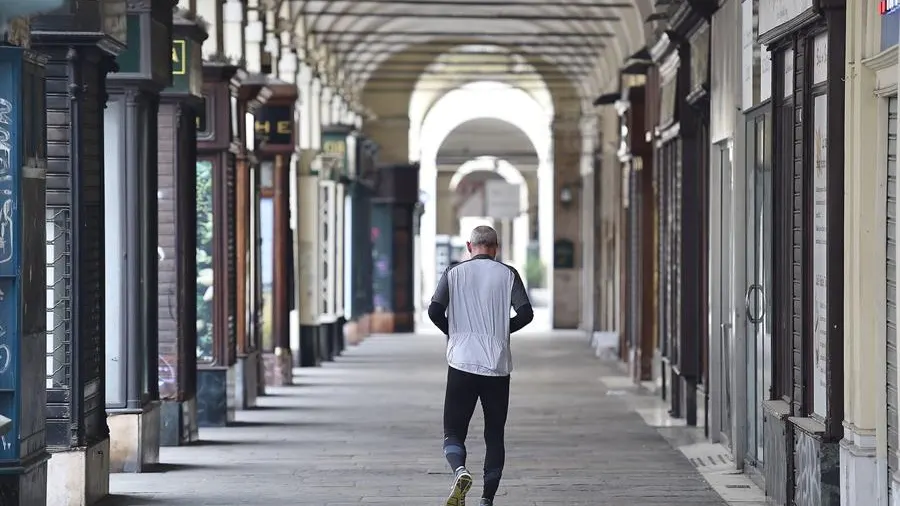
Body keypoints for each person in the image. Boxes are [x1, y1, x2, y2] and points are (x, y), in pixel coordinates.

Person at [428, 225, 535, 506]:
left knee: (453, 430)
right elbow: (526, 313)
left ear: (469, 246)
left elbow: (434, 310)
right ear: (496, 248)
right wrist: (502, 330)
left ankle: (460, 472)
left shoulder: (454, 273)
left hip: (461, 361)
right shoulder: (508, 274)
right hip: (497, 365)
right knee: (494, 433)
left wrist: (454, 332)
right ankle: (487, 499)